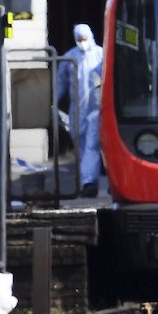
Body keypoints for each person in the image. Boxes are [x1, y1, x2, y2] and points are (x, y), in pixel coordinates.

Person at [56, 24, 105, 197]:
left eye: (84, 39)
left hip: (96, 109)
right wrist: (54, 100)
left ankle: (89, 182)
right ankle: (88, 180)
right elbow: (60, 82)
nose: (82, 43)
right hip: (77, 111)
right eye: (79, 40)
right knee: (81, 145)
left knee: (92, 145)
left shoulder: (100, 55)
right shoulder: (70, 58)